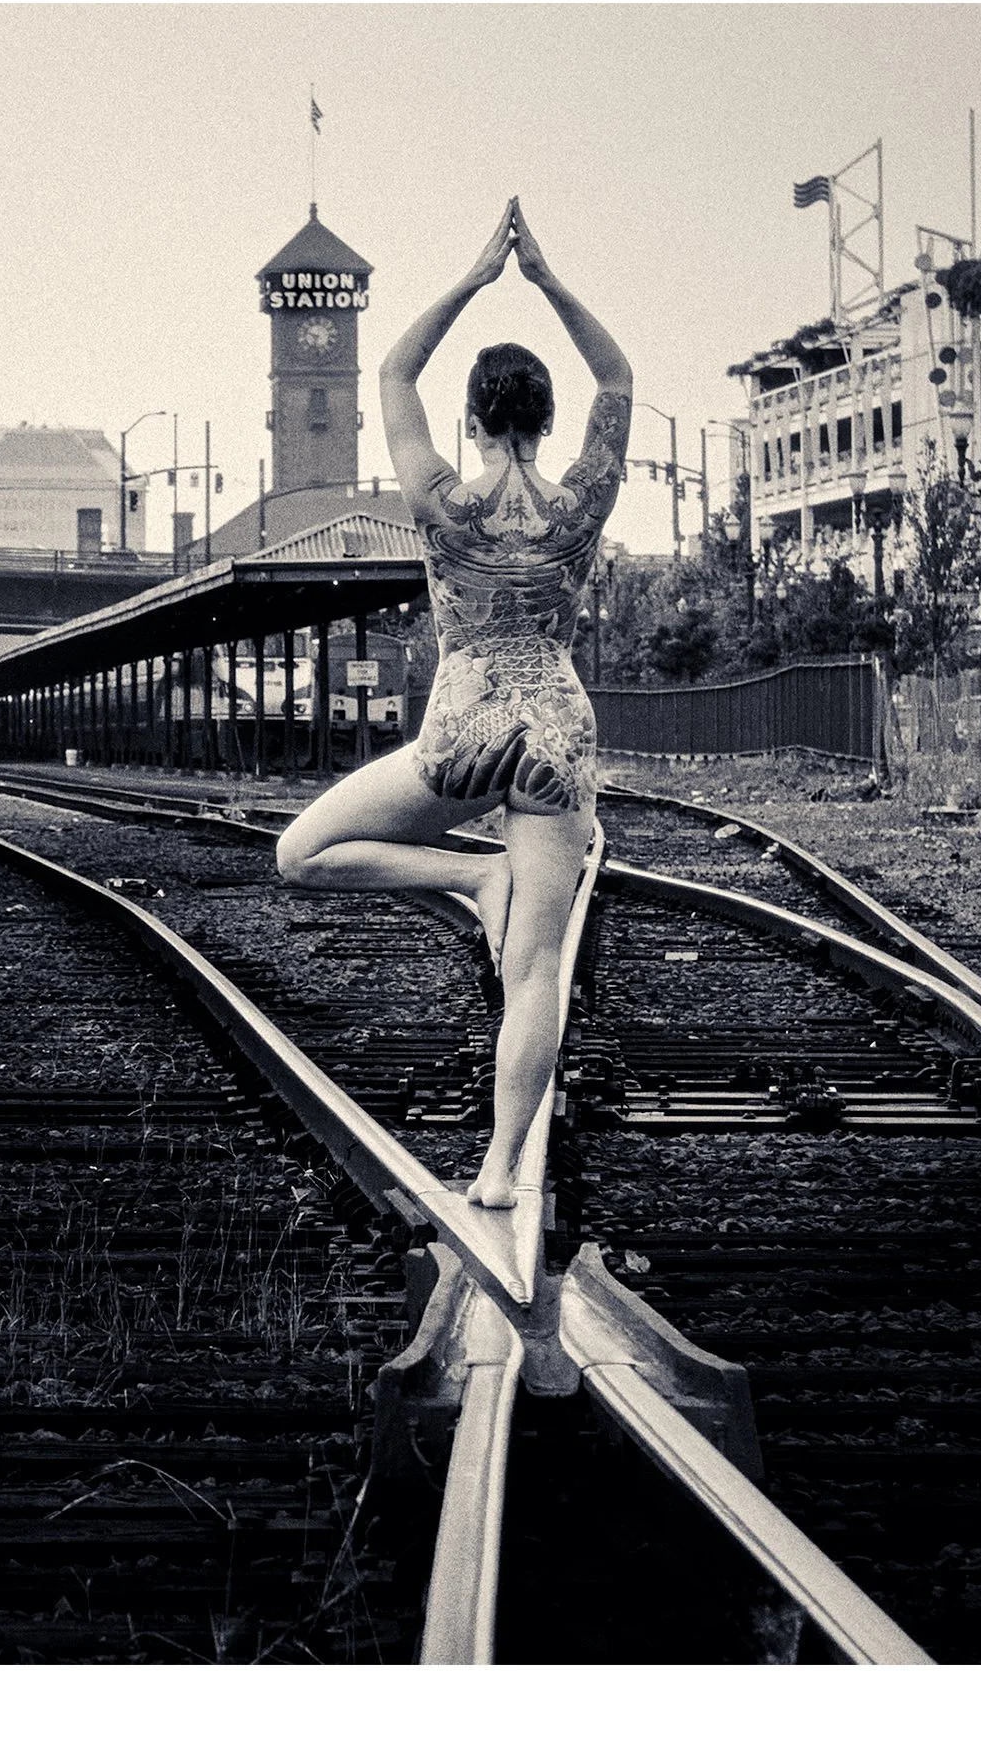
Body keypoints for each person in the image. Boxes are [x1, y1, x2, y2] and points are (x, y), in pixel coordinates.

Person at [275, 198, 631, 1209]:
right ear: (547, 421)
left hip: (464, 724)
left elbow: (391, 372)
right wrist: (548, 279)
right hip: (559, 734)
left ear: (474, 421)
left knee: (300, 852)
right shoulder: (580, 503)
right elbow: (619, 377)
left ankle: (469, 878)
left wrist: (479, 277)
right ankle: (500, 1170)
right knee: (536, 973)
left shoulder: (441, 497)